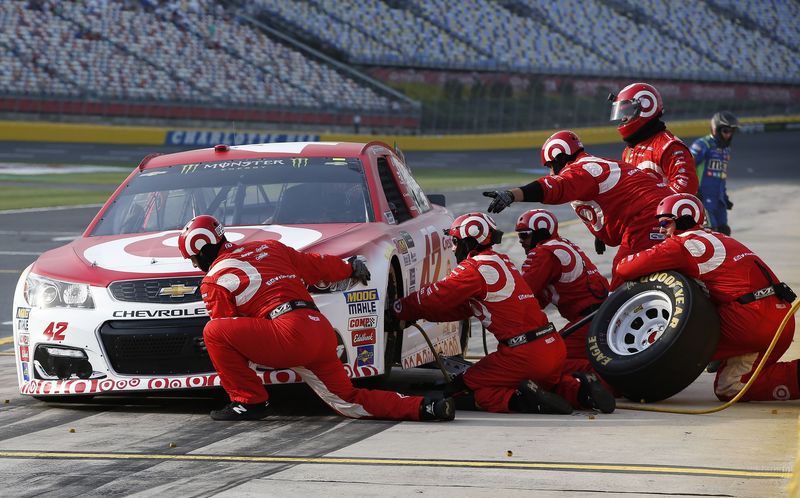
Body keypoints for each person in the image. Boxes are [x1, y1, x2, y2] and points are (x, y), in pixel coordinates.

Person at [178, 214, 455, 421]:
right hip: (319, 329)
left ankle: (248, 401)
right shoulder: (270, 248)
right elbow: (317, 266)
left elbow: (227, 327)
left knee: (213, 332)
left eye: (193, 259)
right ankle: (425, 407)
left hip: (287, 335)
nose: (194, 265)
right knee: (349, 400)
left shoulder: (213, 280)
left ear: (202, 250)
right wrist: (349, 269)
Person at [391, 212, 615, 414]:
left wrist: (399, 309)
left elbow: (435, 295)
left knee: (461, 389)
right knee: (549, 382)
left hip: (524, 353)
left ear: (468, 241)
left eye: (455, 242)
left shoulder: (474, 268)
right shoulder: (503, 261)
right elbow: (464, 308)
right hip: (550, 344)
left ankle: (522, 401)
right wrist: (423, 316)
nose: (452, 248)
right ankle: (579, 391)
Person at [615, 193, 799, 402]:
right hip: (780, 317)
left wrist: (627, 241)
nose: (660, 229)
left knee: (673, 346)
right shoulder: (719, 237)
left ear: (683, 220)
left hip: (750, 323)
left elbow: (625, 268)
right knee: (729, 386)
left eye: (665, 222)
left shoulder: (681, 245)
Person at [484, 130, 669, 288]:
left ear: (560, 157)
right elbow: (618, 197)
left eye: (550, 166)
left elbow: (556, 187)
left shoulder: (581, 169)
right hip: (663, 214)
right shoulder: (598, 164)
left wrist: (512, 195)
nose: (551, 172)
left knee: (622, 278)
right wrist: (602, 233)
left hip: (647, 220)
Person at [515, 209, 609, 364]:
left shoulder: (543, 253)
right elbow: (539, 299)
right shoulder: (563, 244)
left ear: (541, 233)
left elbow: (523, 293)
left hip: (588, 321)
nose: (520, 241)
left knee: (547, 361)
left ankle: (594, 385)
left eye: (524, 235)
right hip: (602, 313)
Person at [690, 111, 739, 235]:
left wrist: (725, 197)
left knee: (724, 233)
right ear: (715, 129)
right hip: (703, 199)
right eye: (726, 131)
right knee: (710, 234)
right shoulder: (702, 145)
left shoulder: (726, 149)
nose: (729, 135)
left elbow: (721, 176)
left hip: (719, 200)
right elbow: (685, 168)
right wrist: (693, 191)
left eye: (732, 131)